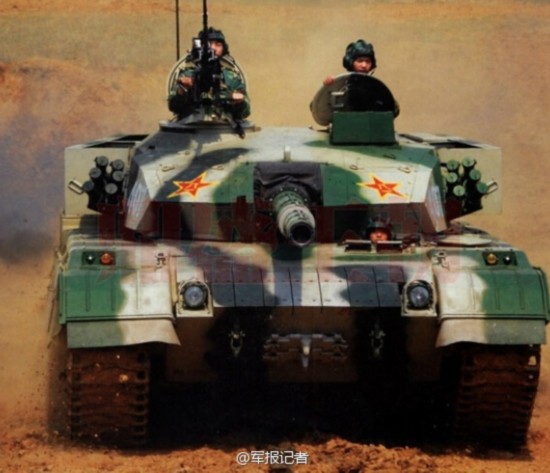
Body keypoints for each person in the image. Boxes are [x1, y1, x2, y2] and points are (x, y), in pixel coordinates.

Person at [168, 27, 250, 121]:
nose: (213, 48)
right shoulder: (187, 74)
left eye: (218, 45)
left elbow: (246, 111)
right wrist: (182, 90)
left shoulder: (231, 78)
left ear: (223, 49)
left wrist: (238, 101)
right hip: (192, 126)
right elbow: (173, 106)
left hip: (223, 126)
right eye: (208, 44)